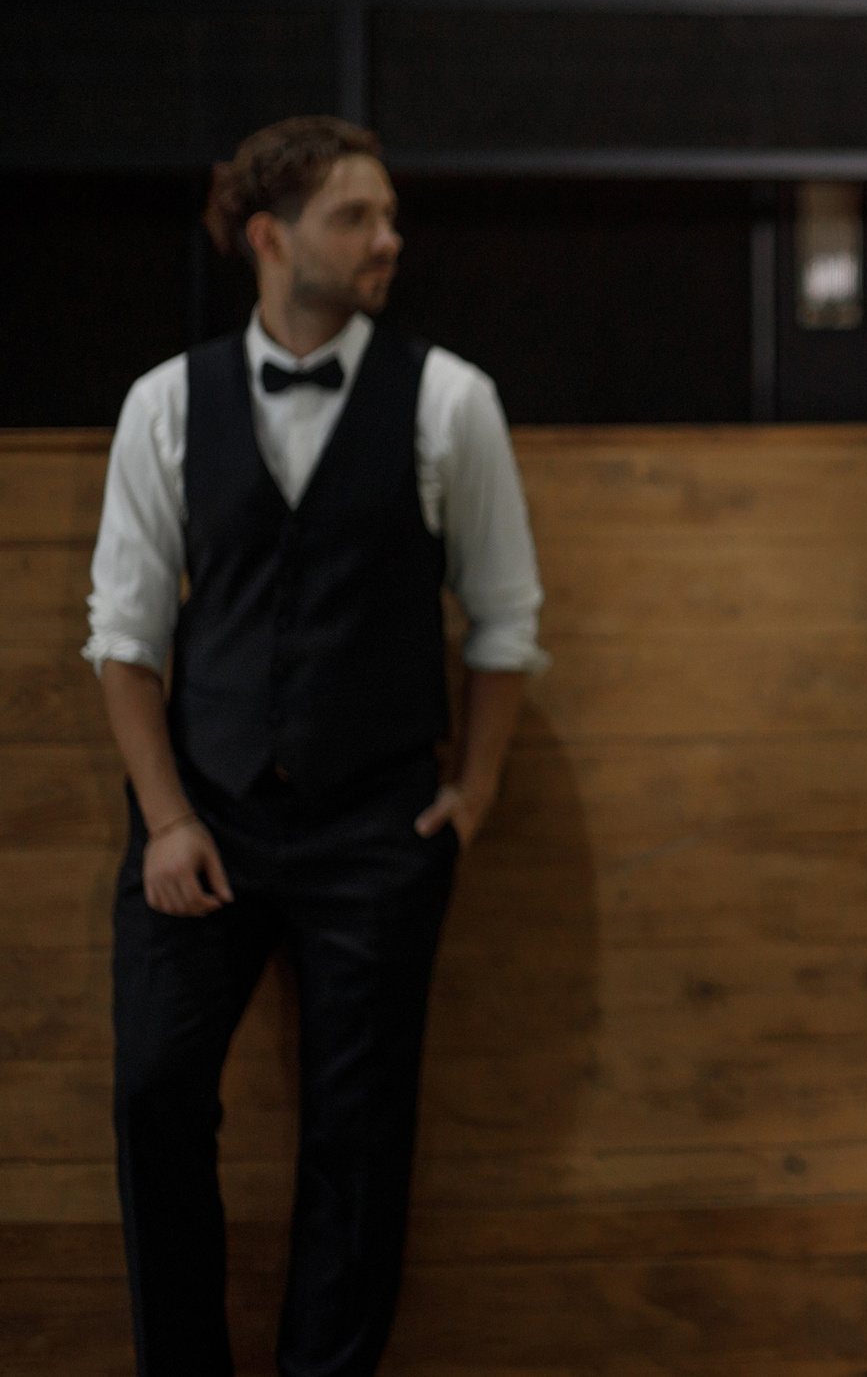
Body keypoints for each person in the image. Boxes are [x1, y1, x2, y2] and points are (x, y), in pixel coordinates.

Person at [84, 116, 546, 1377]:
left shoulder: (450, 402)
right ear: (271, 238)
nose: (389, 238)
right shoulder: (164, 405)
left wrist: (475, 789)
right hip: (205, 815)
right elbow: (122, 641)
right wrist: (168, 818)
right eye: (358, 217)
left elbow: (505, 620)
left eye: (391, 215)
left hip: (377, 824)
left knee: (361, 1134)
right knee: (154, 1094)